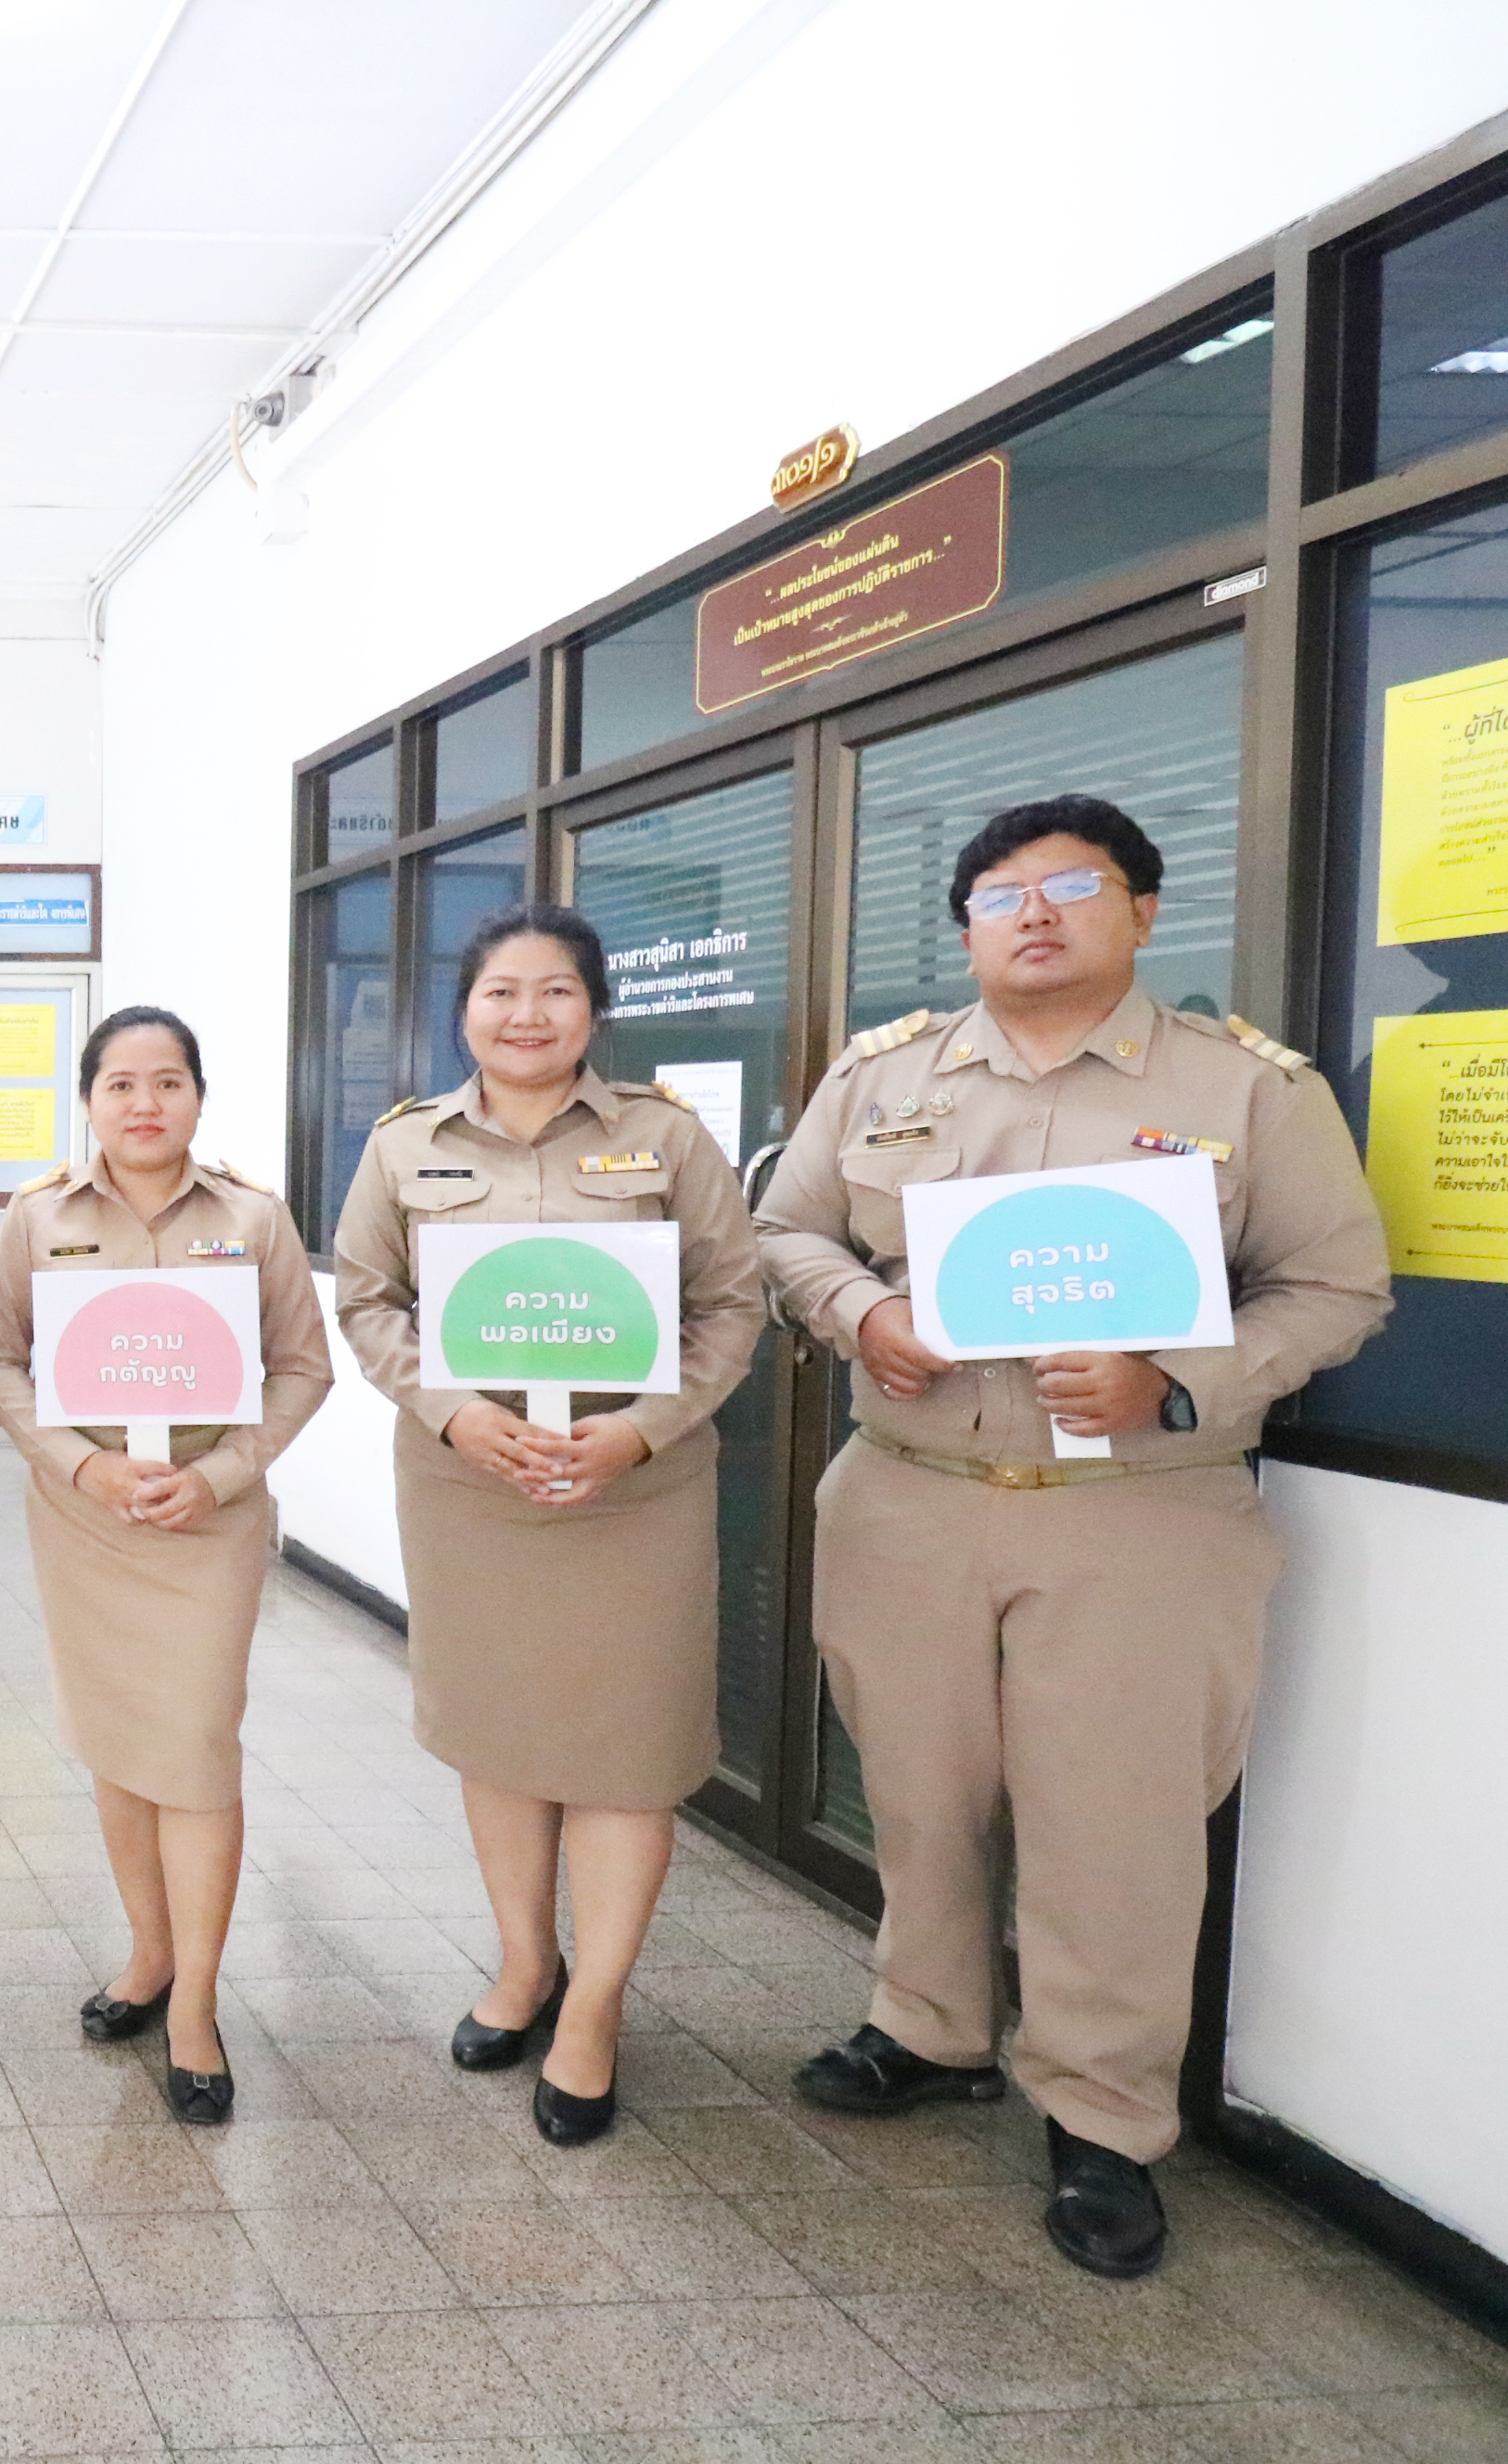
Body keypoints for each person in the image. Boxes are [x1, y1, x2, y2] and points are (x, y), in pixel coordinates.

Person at [757, 792, 1390, 2278]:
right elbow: (787, 1231)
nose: (1033, 914)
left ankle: (1103, 2118)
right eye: (1000, 896)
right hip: (909, 1495)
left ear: (1143, 913)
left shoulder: (1249, 1091)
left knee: (1117, 1826)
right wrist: (864, 1313)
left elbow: (1337, 1288)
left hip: (1141, 1515)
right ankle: (930, 2028)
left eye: (1074, 887)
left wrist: (1173, 1377)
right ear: (968, 928)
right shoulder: (884, 1076)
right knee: (918, 1792)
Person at [331, 906, 763, 2148]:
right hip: (473, 1488)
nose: (527, 1013)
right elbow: (368, 1300)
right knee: (502, 1733)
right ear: (463, 1010)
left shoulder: (665, 1139)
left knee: (628, 1748)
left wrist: (643, 1430)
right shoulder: (407, 1145)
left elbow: (732, 1306)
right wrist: (455, 1412)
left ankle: (597, 2007)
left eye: (557, 990)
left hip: (634, 1492)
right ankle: (527, 1965)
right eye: (502, 991)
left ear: (594, 1009)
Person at [0, 1007, 334, 2124]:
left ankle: (198, 2004)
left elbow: (303, 1367)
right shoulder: (38, 1216)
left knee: (195, 1747)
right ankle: (148, 1953)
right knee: (118, 1744)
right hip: (85, 1521)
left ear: (198, 1097)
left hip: (205, 1527)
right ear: (88, 1098)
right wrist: (79, 1465)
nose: (145, 1103)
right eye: (121, 1083)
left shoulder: (253, 1217)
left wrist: (221, 1476)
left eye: (168, 1081)